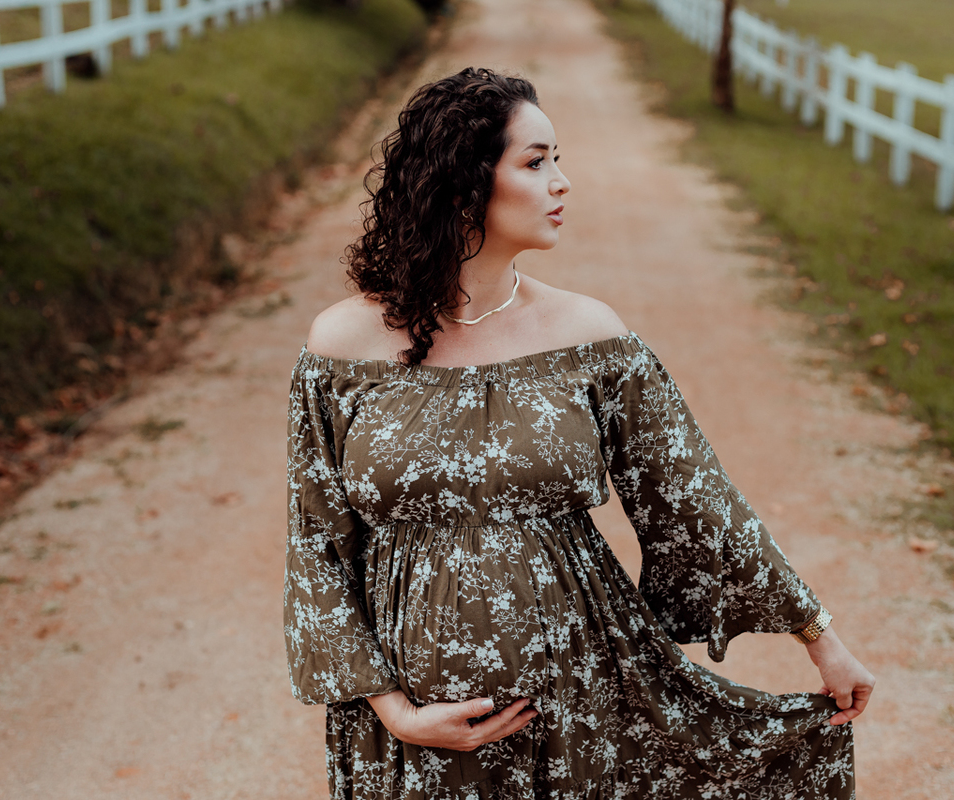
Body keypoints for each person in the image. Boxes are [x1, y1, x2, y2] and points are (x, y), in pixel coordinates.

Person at [285, 67, 874, 799]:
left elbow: (693, 495)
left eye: (556, 160)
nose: (562, 183)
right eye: (536, 162)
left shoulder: (589, 336)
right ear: (463, 183)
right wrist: (395, 711)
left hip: (578, 700)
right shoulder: (342, 346)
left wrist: (820, 638)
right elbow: (318, 542)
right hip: (407, 730)